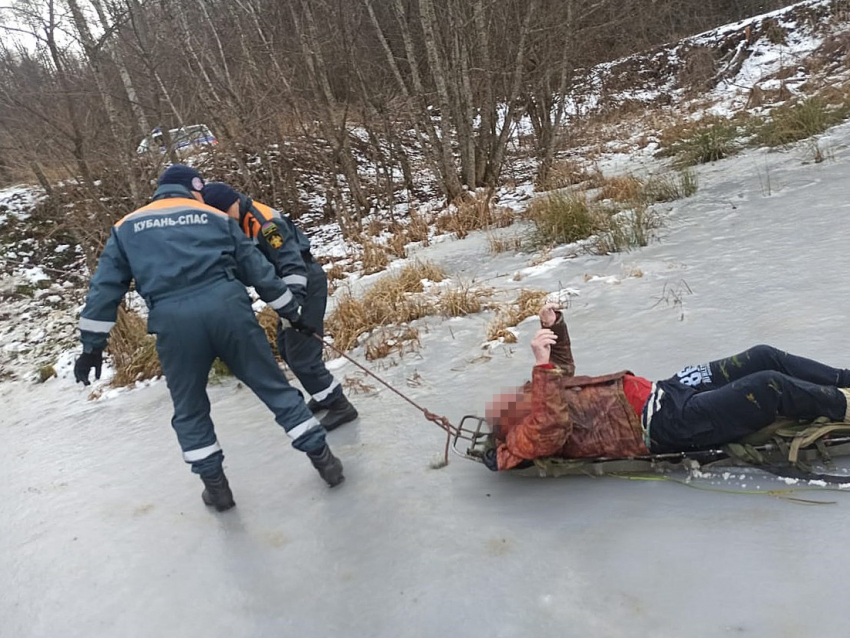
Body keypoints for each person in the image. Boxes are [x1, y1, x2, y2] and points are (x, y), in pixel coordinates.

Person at [73, 164, 345, 512]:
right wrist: (292, 312)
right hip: (229, 310)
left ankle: (217, 489)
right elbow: (258, 270)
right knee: (274, 388)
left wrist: (92, 347)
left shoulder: (126, 227)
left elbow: (104, 290)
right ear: (194, 188)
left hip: (174, 323)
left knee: (189, 408)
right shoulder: (213, 217)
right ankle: (325, 461)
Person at [485, 303, 850, 471]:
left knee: (762, 355)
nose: (507, 401)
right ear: (505, 428)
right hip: (666, 424)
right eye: (504, 410)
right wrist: (540, 369)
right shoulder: (524, 439)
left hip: (669, 389)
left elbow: (560, 368)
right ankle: (843, 405)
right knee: (768, 386)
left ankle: (843, 379)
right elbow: (553, 428)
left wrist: (555, 327)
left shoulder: (536, 394)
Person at [201, 182, 358, 431]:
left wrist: (294, 305)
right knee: (287, 349)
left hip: (304, 282)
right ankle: (322, 394)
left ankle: (340, 406)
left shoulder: (266, 224)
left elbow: (291, 262)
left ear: (230, 204)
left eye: (221, 213)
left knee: (302, 356)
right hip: (285, 288)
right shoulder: (238, 221)